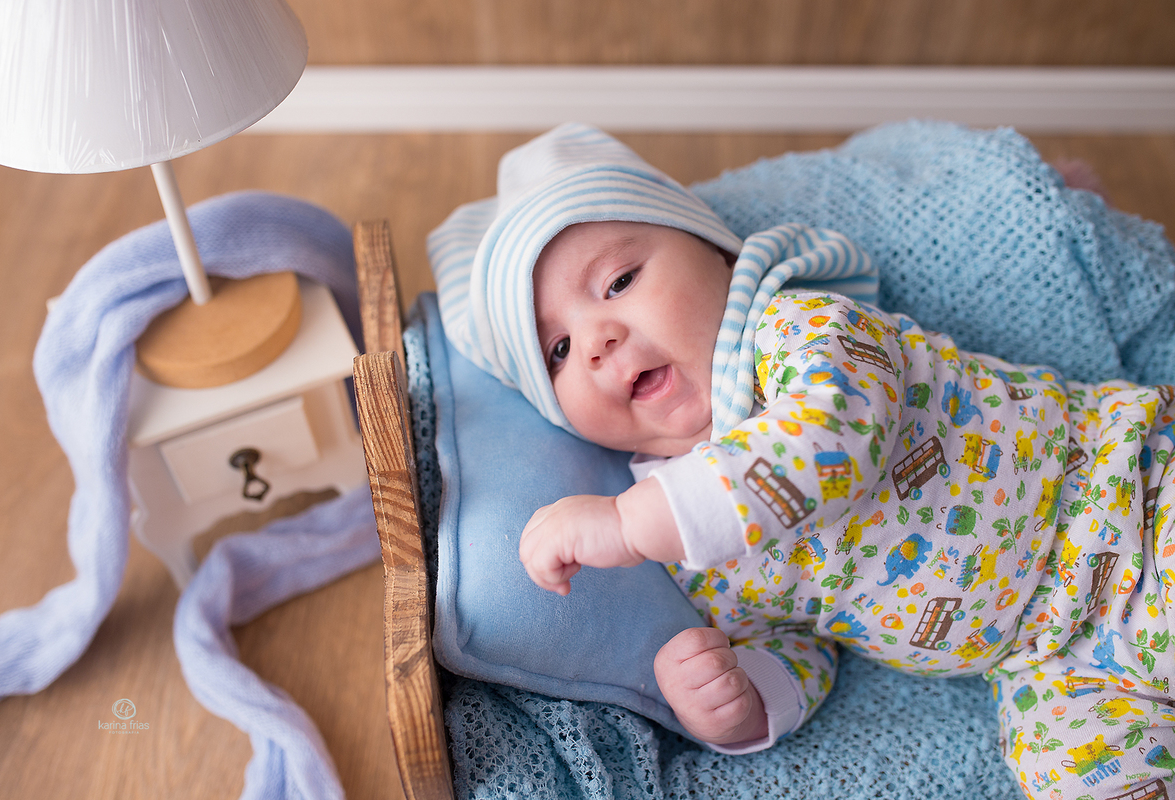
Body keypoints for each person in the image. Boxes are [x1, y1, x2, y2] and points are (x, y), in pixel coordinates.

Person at [429, 122, 1175, 800]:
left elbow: (827, 443)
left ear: (721, 256)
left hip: (1127, 497)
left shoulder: (801, 331)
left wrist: (631, 524)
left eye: (619, 282)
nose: (596, 338)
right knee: (1075, 775)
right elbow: (795, 638)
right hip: (1048, 661)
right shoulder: (687, 545)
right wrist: (738, 697)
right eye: (558, 350)